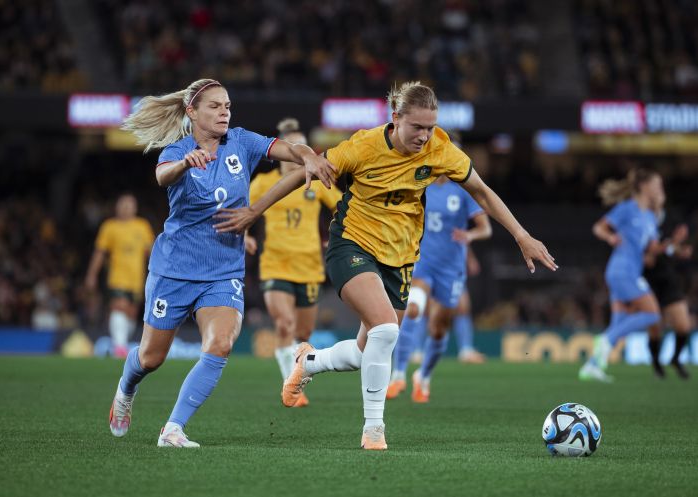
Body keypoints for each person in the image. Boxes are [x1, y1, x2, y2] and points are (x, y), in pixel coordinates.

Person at [214, 81, 557, 450]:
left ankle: (309, 361)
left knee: (368, 351)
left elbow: (482, 191)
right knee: (387, 330)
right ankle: (374, 429)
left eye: (430, 127)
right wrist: (254, 210)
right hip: (351, 245)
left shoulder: (440, 148)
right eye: (417, 127)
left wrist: (522, 235)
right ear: (396, 119)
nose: (425, 136)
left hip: (401, 258)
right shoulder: (363, 146)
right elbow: (303, 173)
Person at [108, 78, 335, 448]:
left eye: (227, 106)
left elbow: (287, 148)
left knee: (220, 344)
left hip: (223, 271)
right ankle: (125, 388)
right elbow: (161, 175)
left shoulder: (241, 142)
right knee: (150, 358)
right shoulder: (178, 150)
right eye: (214, 106)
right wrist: (184, 163)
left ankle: (173, 429)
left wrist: (308, 155)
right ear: (192, 112)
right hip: (174, 270)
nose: (224, 112)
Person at [245, 117, 342, 406]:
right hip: (275, 263)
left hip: (310, 266)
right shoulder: (262, 183)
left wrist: (335, 236)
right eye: (294, 145)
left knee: (302, 334)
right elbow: (243, 209)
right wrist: (245, 235)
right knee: (284, 325)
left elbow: (342, 208)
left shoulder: (315, 182)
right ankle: (291, 385)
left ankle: (296, 375)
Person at [387, 173, 492, 403]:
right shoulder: (419, 186)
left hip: (451, 268)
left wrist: (470, 235)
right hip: (422, 263)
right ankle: (397, 375)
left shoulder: (464, 191)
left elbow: (486, 229)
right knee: (413, 308)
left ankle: (423, 377)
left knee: (438, 328)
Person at [579, 168, 666, 382]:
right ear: (645, 186)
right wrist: (610, 237)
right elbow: (599, 227)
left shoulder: (651, 217)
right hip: (621, 270)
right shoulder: (628, 208)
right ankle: (606, 340)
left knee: (620, 322)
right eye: (657, 185)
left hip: (630, 270)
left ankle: (592, 366)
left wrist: (673, 247)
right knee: (653, 314)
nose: (660, 189)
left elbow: (652, 251)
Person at [85, 193, 154, 358]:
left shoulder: (142, 226)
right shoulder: (109, 227)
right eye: (123, 204)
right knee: (119, 307)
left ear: (135, 208)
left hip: (137, 281)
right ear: (117, 207)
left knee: (131, 314)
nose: (126, 208)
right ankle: (120, 347)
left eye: (129, 204)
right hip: (117, 279)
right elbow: (100, 253)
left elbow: (151, 252)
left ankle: (120, 343)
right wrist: (91, 275)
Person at [644, 204, 693, 379]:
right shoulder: (639, 225)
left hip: (668, 282)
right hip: (648, 283)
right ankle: (656, 363)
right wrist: (672, 244)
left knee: (683, 327)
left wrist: (680, 250)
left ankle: (675, 358)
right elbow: (647, 260)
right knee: (655, 329)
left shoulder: (667, 223)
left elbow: (670, 251)